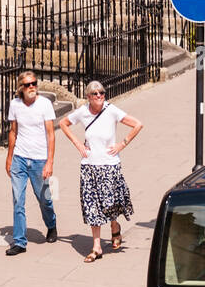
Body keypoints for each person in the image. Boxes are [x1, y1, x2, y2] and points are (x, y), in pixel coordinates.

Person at [60, 81, 143, 262]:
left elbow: (138, 124)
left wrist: (122, 143)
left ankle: (115, 226)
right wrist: (78, 144)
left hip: (109, 165)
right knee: (92, 207)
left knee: (110, 204)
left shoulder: (111, 110)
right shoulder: (82, 112)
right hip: (89, 165)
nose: (99, 96)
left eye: (102, 93)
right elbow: (63, 123)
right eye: (95, 94)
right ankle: (96, 247)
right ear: (88, 97)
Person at [5, 70, 57, 255]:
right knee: (18, 200)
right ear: (21, 87)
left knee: (45, 199)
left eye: (34, 83)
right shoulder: (15, 104)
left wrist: (49, 162)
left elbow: (51, 135)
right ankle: (19, 242)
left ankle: (51, 224)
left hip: (39, 159)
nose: (32, 87)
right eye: (28, 84)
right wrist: (9, 157)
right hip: (20, 157)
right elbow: (13, 131)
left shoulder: (44, 104)